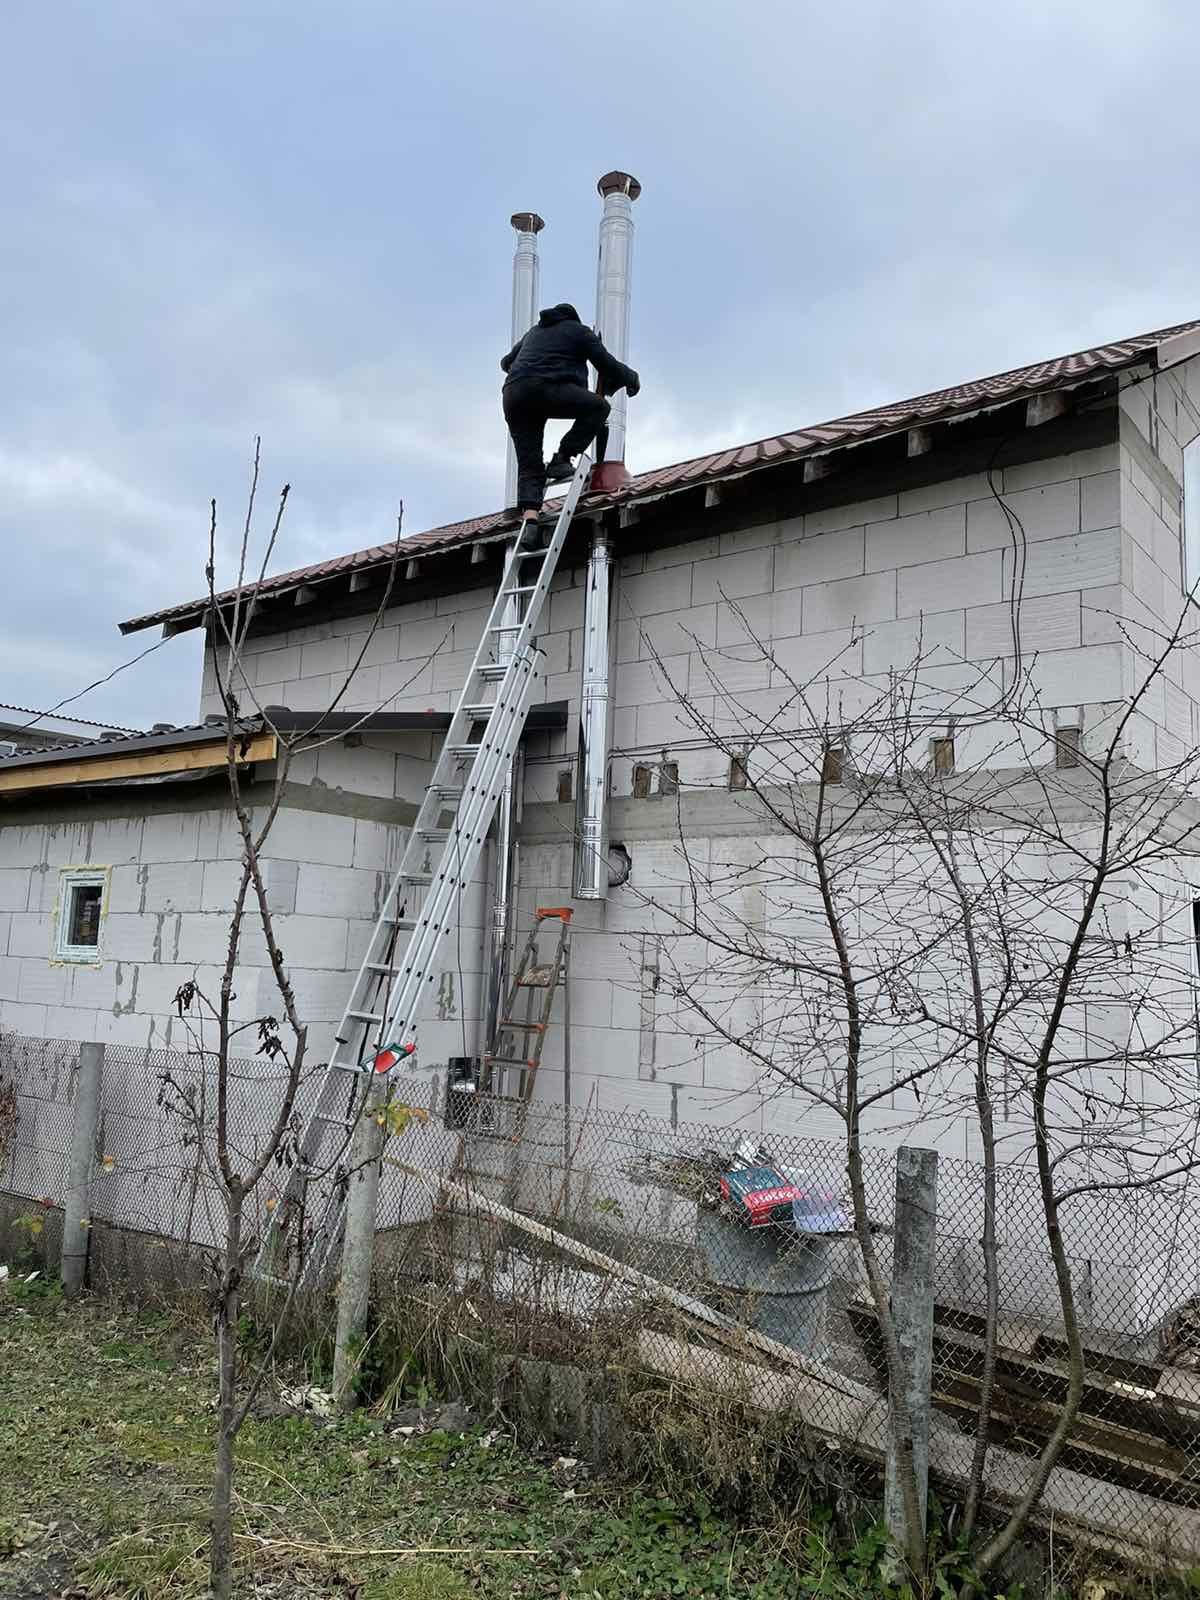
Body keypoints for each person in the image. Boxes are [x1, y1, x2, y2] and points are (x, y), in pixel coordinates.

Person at [501, 303, 640, 530]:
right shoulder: (578, 331)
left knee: (529, 463)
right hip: (545, 388)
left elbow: (506, 362)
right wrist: (632, 378)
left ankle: (531, 520)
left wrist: (528, 367)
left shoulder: (534, 332)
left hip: (514, 395)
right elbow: (606, 364)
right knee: (598, 407)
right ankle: (563, 458)